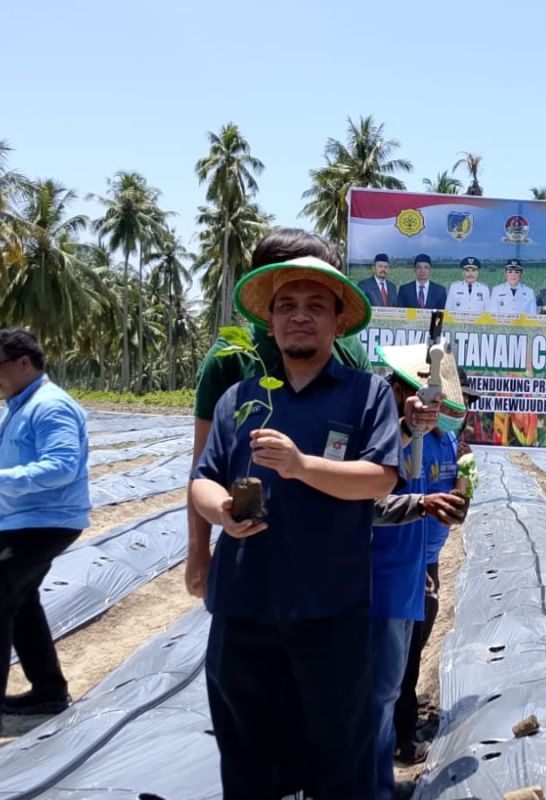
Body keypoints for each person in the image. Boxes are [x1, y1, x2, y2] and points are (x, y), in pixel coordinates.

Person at [190, 255, 399, 799]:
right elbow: (203, 479)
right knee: (245, 758)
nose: (298, 317)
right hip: (244, 607)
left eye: (314, 307)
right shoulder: (241, 398)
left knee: (339, 759)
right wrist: (220, 512)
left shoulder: (365, 393)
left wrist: (301, 465)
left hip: (329, 609)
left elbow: (379, 479)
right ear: (272, 322)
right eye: (286, 306)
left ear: (337, 321)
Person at [187, 228, 372, 602]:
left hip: (331, 562)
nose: (301, 313)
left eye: (317, 297)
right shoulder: (230, 358)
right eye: (288, 299)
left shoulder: (348, 351)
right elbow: (203, 467)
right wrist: (198, 552)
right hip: (250, 557)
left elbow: (378, 464)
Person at [369, 345, 468, 800]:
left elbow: (430, 499)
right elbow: (369, 503)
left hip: (409, 573)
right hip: (377, 579)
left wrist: (427, 563)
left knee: (389, 684)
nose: (431, 409)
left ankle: (376, 780)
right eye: (422, 398)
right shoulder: (380, 437)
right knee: (372, 692)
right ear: (397, 391)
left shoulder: (435, 440)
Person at [0, 329, 90, 721]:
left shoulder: (50, 406)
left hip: (45, 522)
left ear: (24, 363)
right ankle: (48, 691)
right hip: (24, 519)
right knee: (20, 603)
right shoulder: (17, 406)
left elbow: (61, 465)